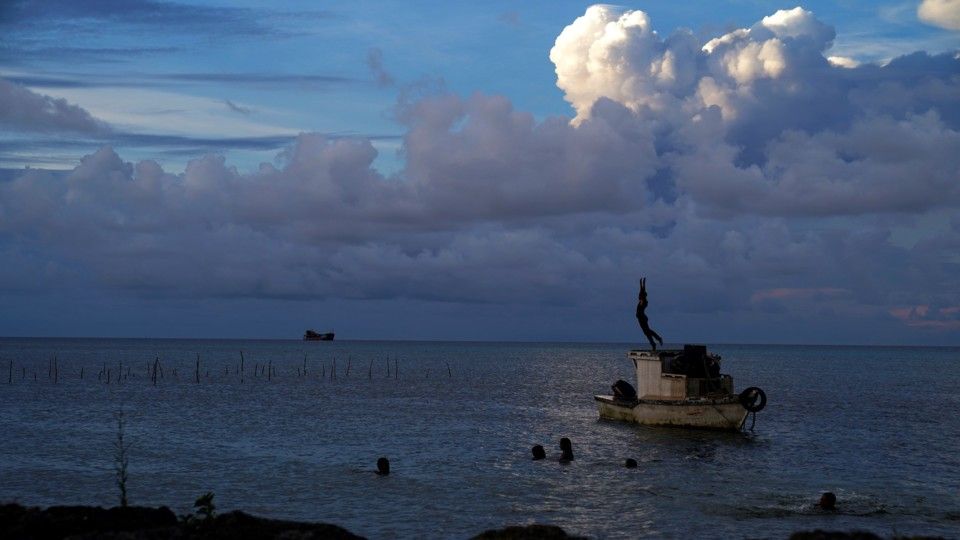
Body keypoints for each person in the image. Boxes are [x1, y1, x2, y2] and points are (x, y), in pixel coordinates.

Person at [636, 277, 664, 351]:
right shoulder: (642, 300)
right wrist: (641, 284)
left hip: (642, 318)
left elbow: (642, 293)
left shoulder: (643, 302)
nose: (639, 297)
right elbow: (642, 291)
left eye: (640, 297)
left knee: (647, 331)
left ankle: (658, 339)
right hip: (641, 318)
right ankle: (653, 344)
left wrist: (643, 284)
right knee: (646, 332)